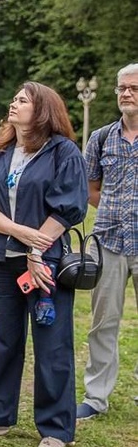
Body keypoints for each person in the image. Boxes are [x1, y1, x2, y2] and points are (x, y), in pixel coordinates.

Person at [0, 81, 88, 447]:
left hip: (46, 262)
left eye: (23, 100)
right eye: (14, 97)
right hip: (6, 259)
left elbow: (69, 207)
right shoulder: (1, 152)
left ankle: (56, 427)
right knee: (5, 339)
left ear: (43, 110)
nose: (14, 104)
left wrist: (37, 248)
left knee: (51, 342)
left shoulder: (63, 152)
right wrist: (17, 232)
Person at [77, 63, 138, 420]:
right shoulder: (101, 138)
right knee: (103, 323)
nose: (126, 94)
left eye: (133, 88)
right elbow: (90, 187)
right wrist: (118, 210)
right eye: (121, 88)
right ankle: (96, 397)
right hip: (109, 242)